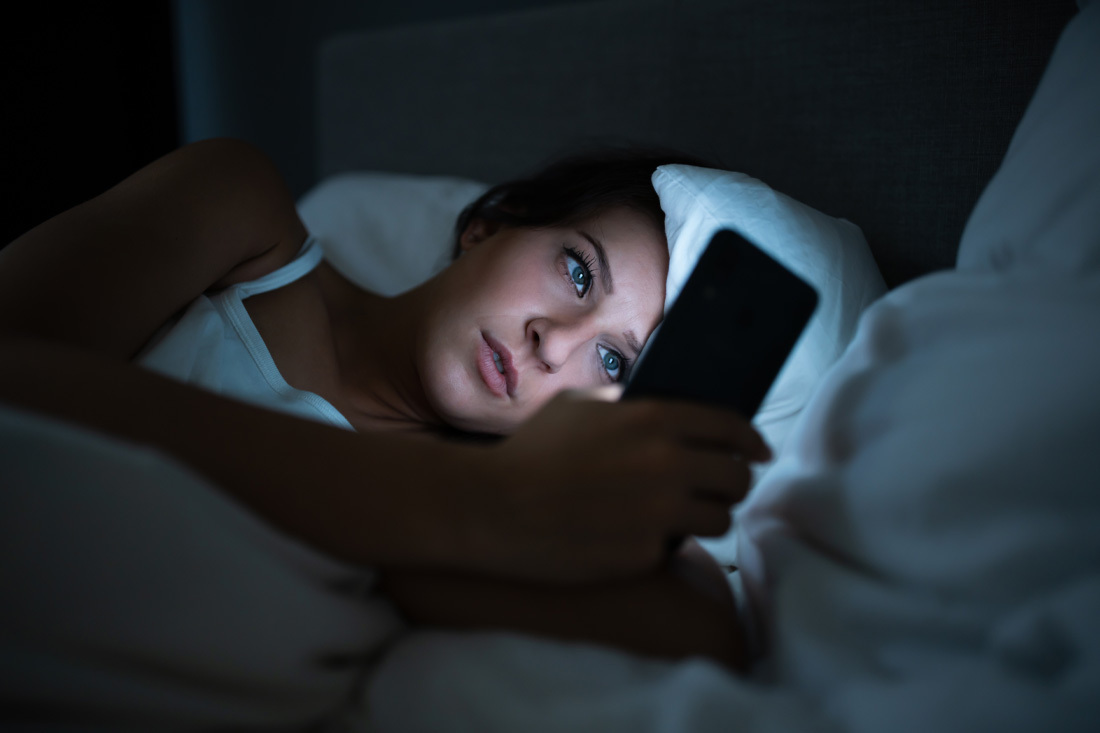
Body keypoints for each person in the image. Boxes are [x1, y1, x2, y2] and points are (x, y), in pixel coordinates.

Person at [0, 138, 772, 669]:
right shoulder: (242, 218)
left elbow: (706, 629)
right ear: (487, 226)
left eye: (612, 359)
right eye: (577, 273)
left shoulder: (497, 530)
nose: (553, 341)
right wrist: (477, 500)